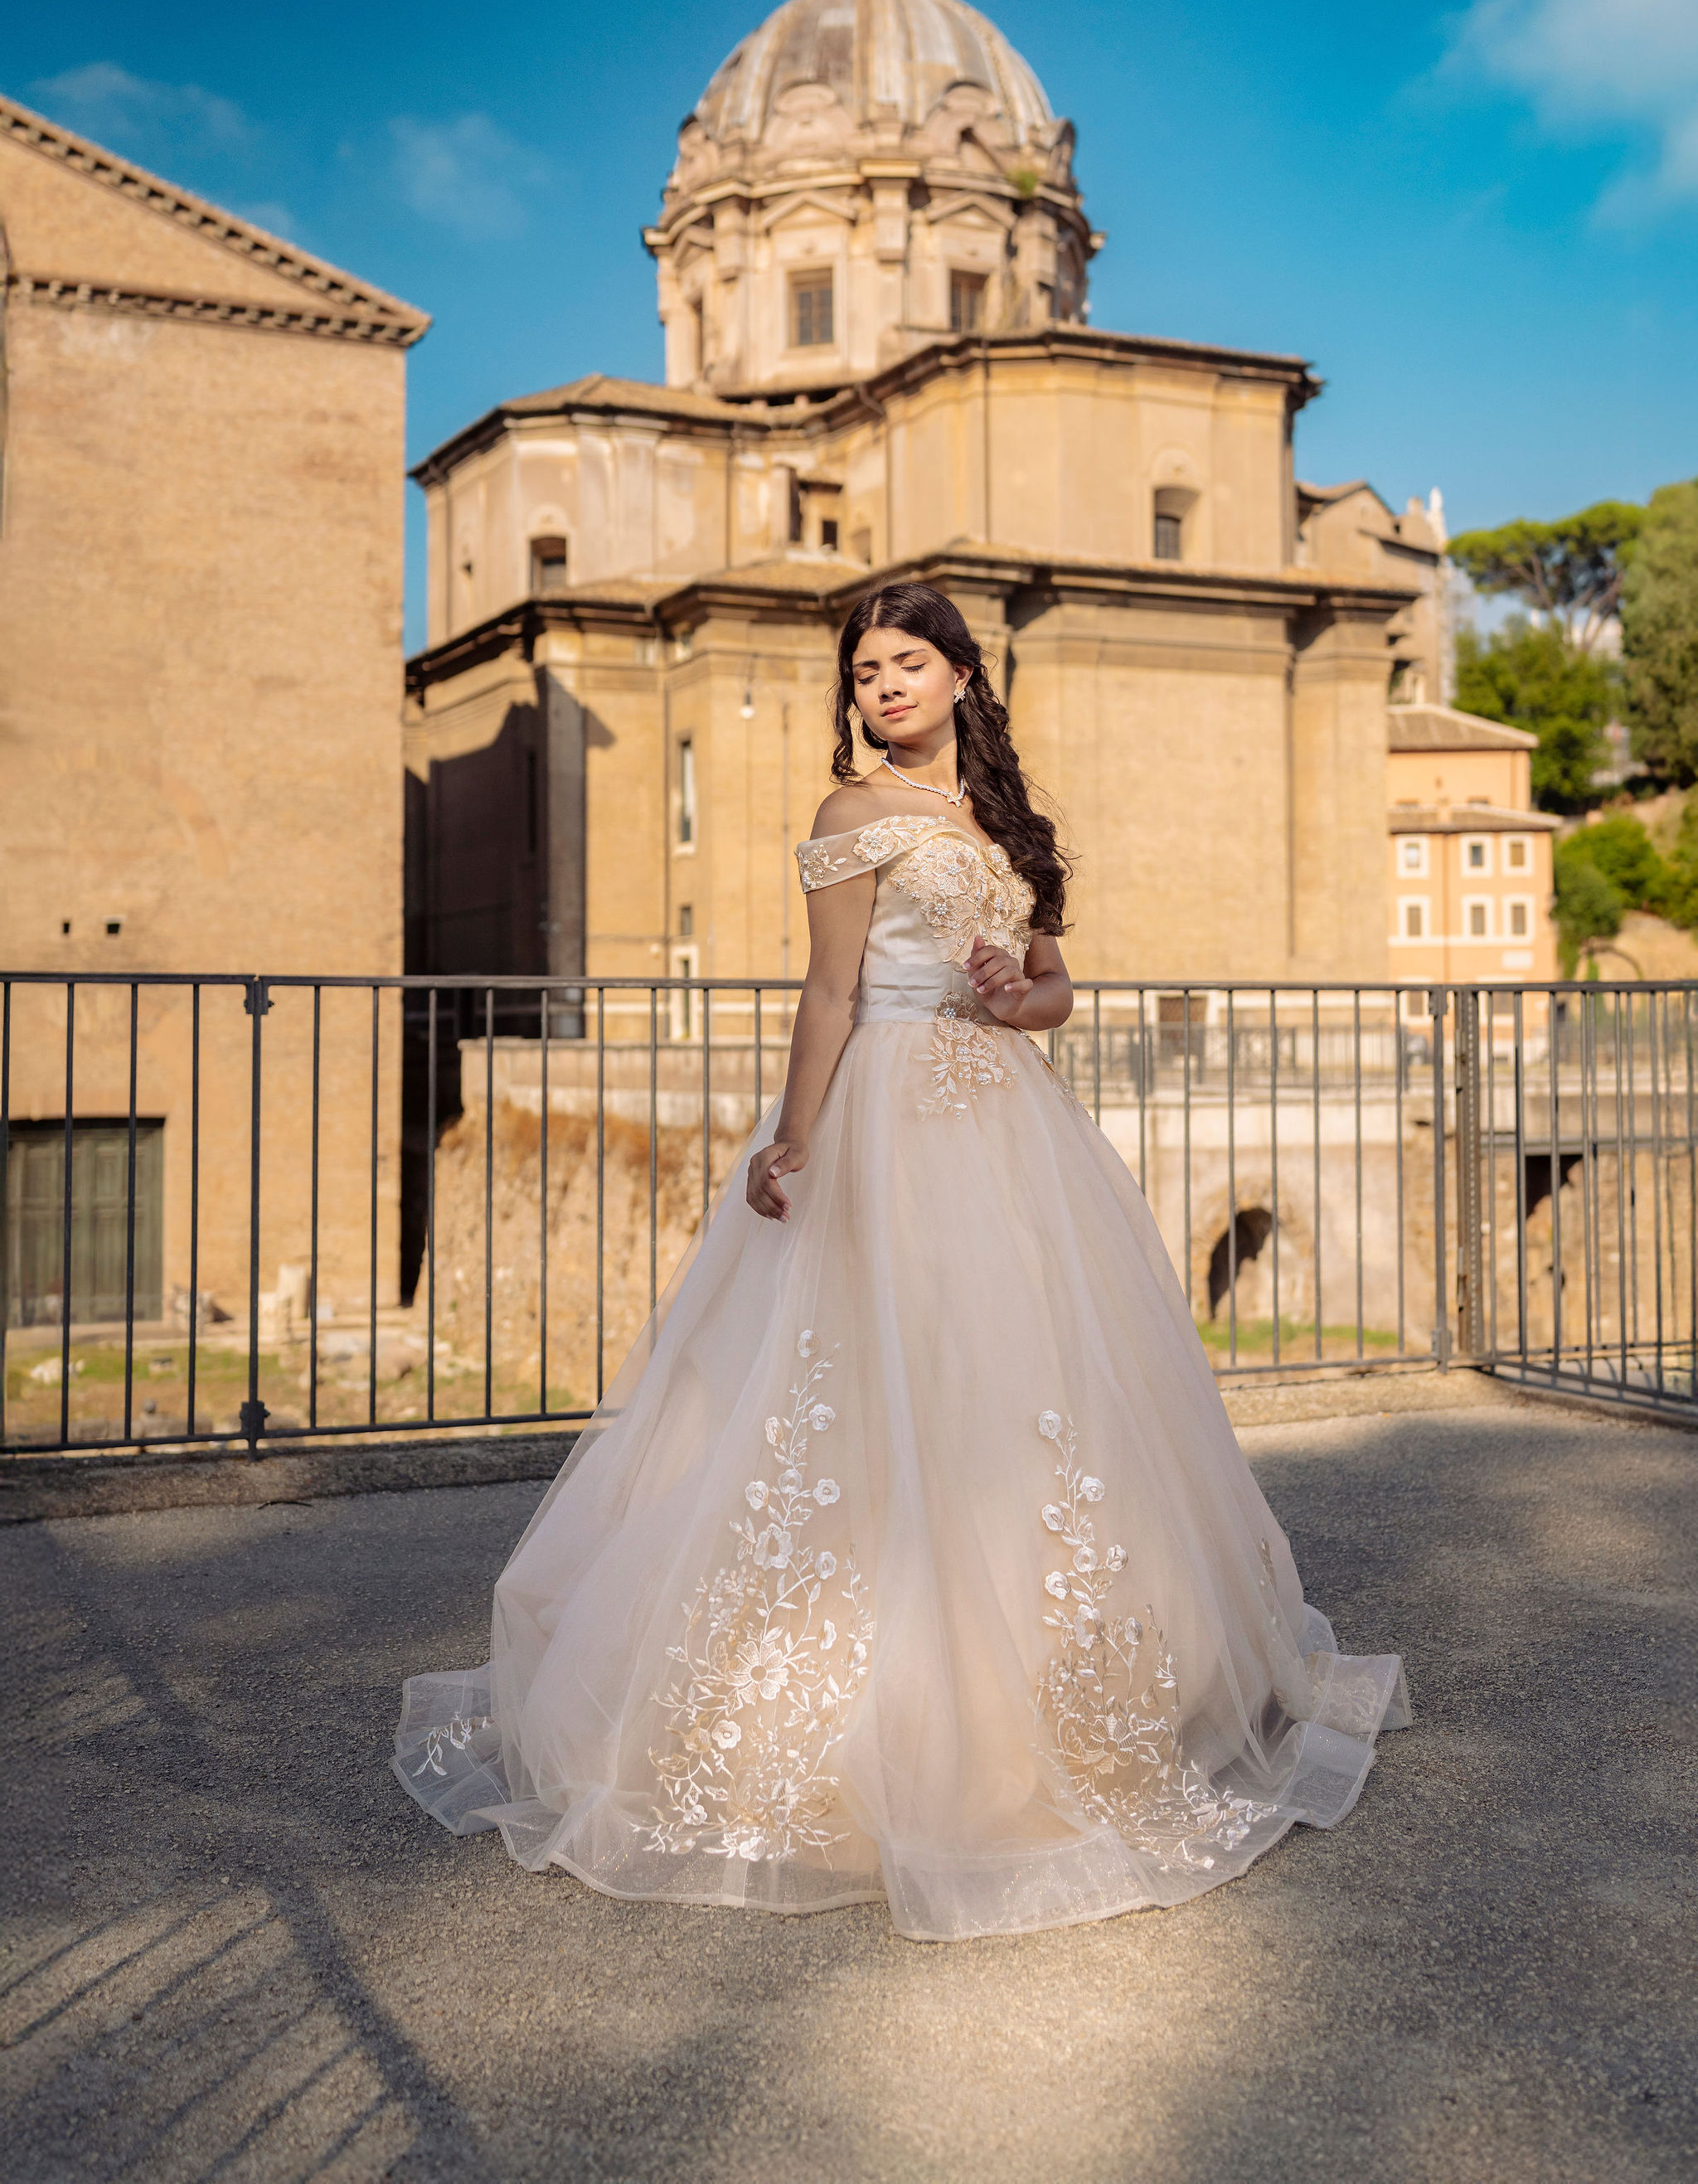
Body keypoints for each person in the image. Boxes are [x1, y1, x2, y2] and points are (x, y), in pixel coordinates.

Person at [394, 582, 1407, 1942]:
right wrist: (794, 1143)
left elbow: (1056, 990)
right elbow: (831, 992)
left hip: (1006, 1121)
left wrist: (1014, 995)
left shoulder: (1004, 824)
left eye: (907, 663)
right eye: (865, 670)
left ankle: (1065, 1685)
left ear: (961, 677)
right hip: (886, 1118)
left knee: (1025, 1385)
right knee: (864, 1385)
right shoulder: (849, 819)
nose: (883, 686)